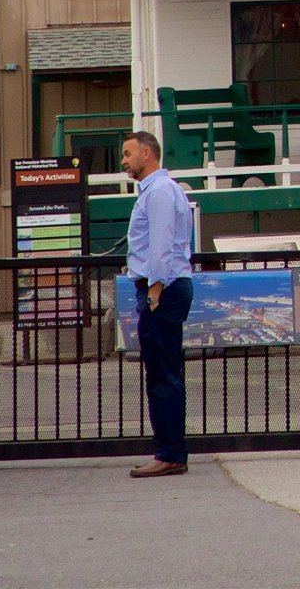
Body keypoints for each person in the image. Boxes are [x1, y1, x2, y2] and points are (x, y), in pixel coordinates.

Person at [120, 129, 194, 479]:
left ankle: (169, 453)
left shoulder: (160, 192)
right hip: (163, 287)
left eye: (128, 153)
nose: (124, 160)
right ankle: (169, 450)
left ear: (147, 154)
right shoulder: (160, 190)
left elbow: (161, 244)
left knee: (163, 374)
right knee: (163, 372)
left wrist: (154, 290)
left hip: (161, 290)